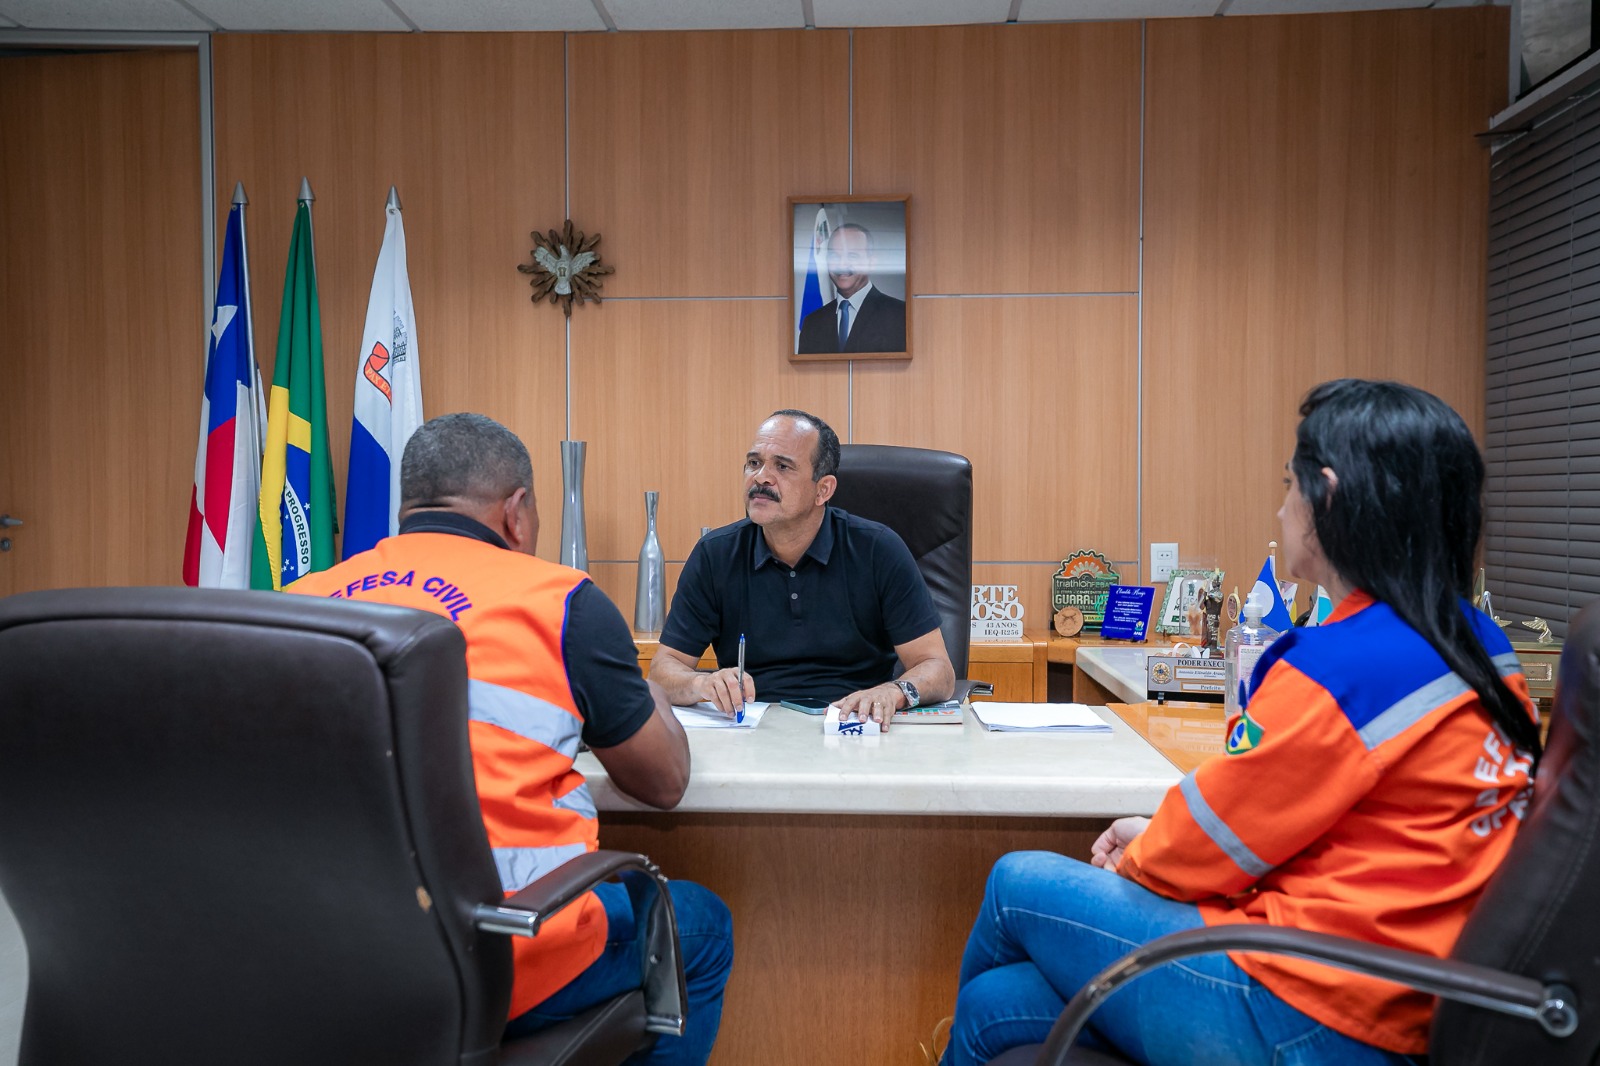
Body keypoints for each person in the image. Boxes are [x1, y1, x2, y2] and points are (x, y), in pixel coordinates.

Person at [942, 379, 1542, 1066]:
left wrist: (1138, 850)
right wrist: (1165, 837)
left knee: (1015, 882)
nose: (1281, 507)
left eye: (1290, 485)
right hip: (1405, 986)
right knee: (994, 1006)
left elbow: (1203, 847)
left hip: (1314, 1011)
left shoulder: (1346, 667)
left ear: (1328, 498)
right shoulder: (1481, 641)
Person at [287, 413, 732, 1066]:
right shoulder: (557, 600)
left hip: (337, 957)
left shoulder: (301, 600)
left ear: (408, 505)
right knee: (701, 925)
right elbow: (662, 781)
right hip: (506, 952)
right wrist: (647, 690)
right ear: (517, 511)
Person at [650, 408, 954, 730]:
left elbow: (938, 669)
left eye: (782, 466)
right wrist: (700, 684)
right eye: (754, 463)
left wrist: (893, 692)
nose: (761, 477)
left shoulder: (879, 549)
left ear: (823, 489)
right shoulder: (715, 555)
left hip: (855, 725)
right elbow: (663, 670)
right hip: (751, 729)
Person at [795, 223, 907, 354]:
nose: (842, 264)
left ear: (871, 263)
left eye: (852, 256)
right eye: (834, 256)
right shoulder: (812, 323)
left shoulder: (900, 315)